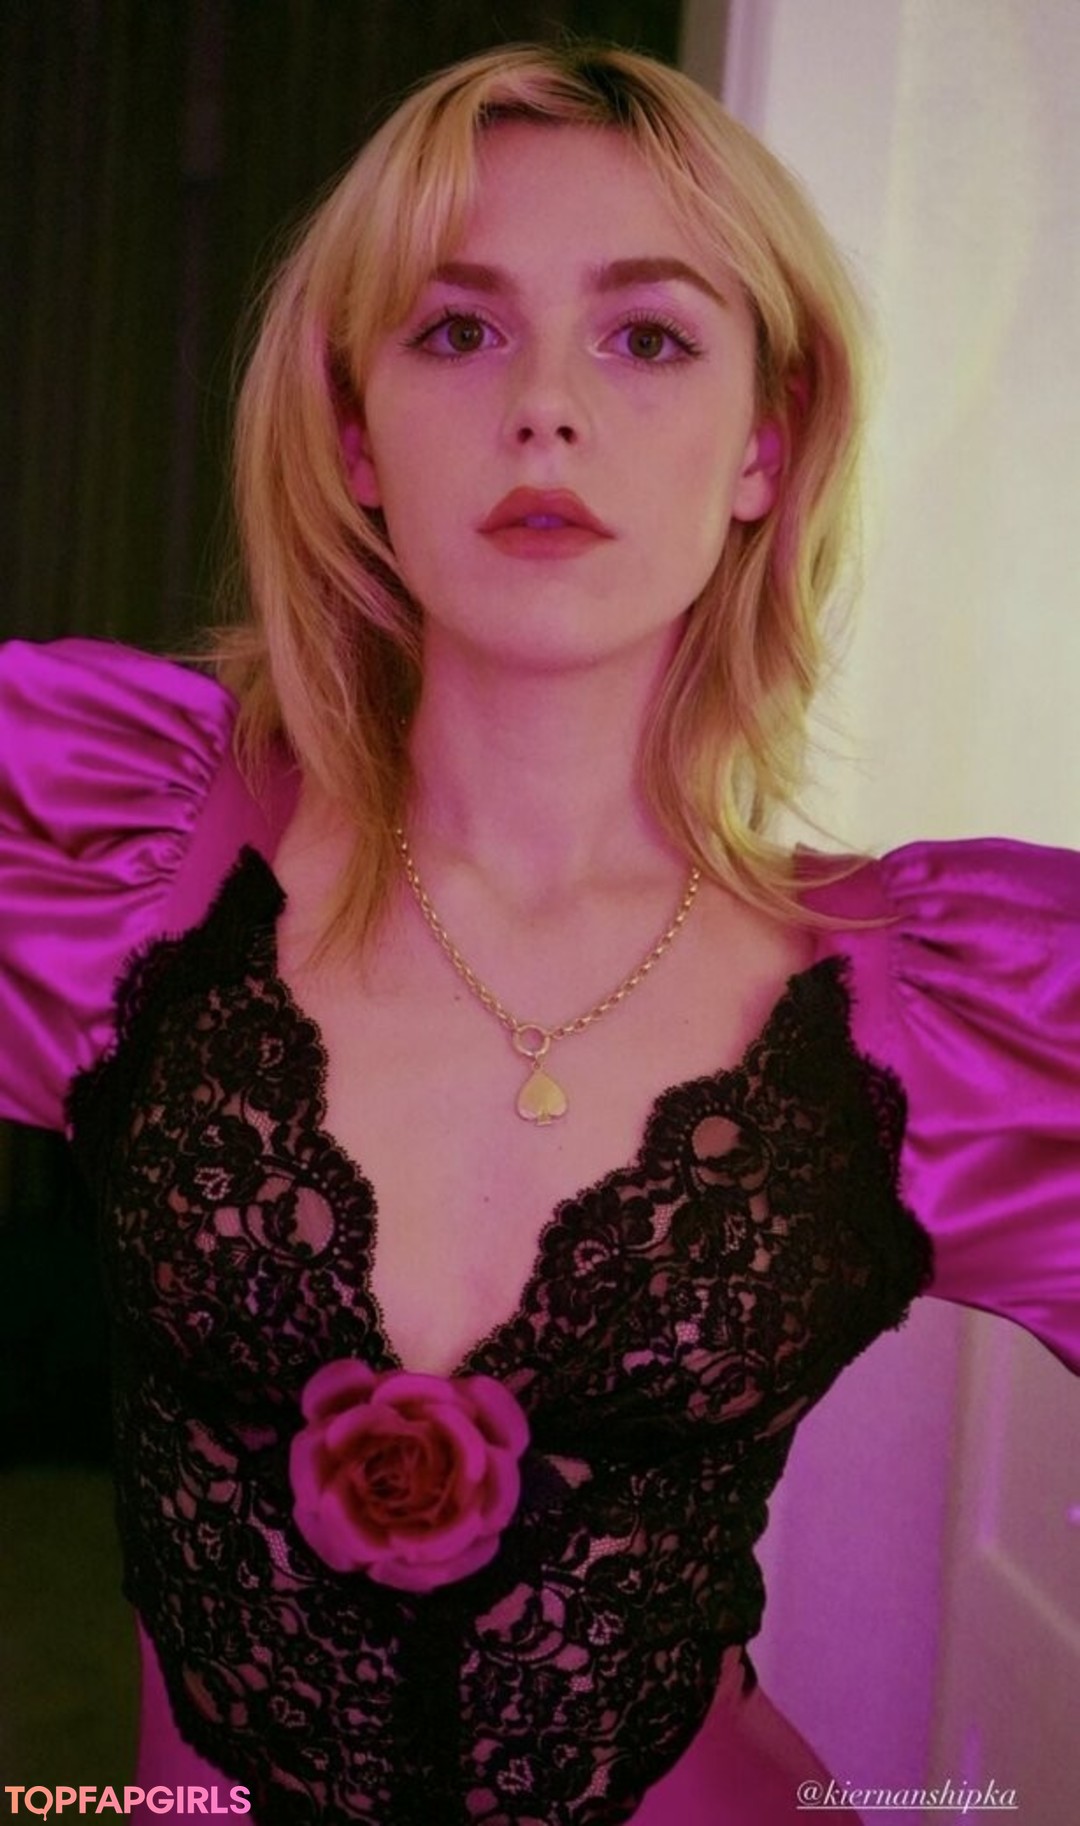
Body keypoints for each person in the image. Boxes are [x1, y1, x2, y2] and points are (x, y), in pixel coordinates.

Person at [1, 39, 1077, 1826]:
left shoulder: (947, 1012)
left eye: (646, 337)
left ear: (765, 443)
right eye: (458, 329)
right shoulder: (118, 853)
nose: (546, 409)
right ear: (355, 436)